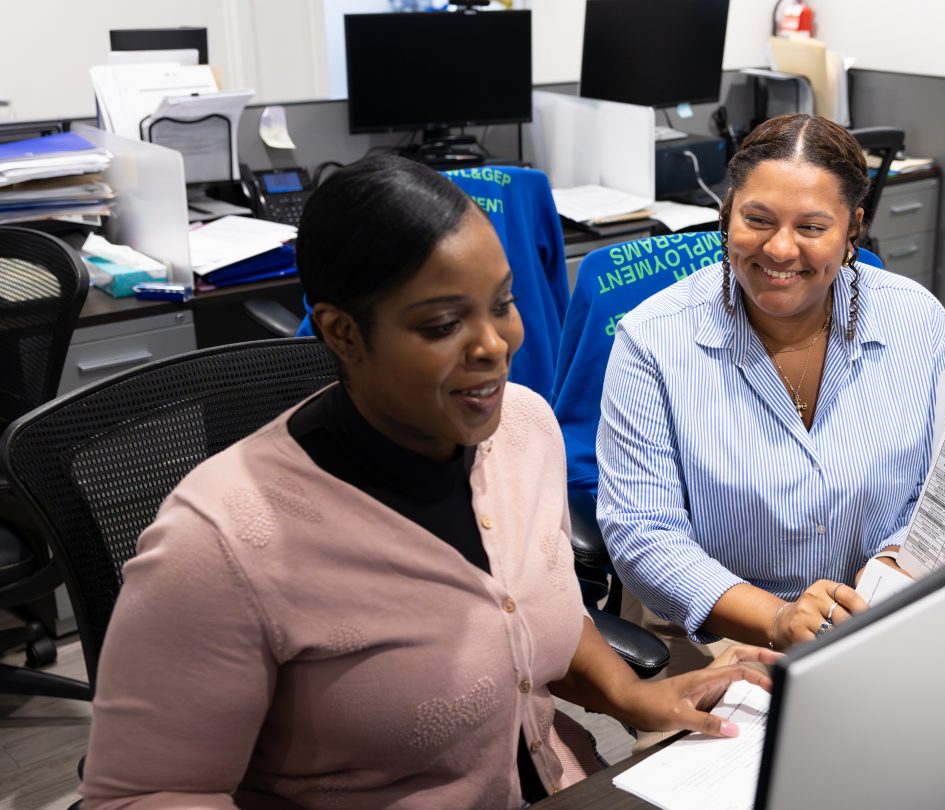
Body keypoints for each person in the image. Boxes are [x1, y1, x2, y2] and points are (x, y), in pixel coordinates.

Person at [81, 155, 776, 810]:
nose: (495, 345)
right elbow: (142, 796)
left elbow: (540, 613)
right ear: (343, 334)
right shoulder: (219, 543)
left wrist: (632, 696)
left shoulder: (524, 428)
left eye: (502, 303)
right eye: (444, 324)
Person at [597, 114, 945, 669]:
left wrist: (893, 563)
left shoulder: (919, 322)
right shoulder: (652, 340)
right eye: (757, 219)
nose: (780, 249)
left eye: (812, 227)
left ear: (852, 229)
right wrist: (777, 619)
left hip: (879, 616)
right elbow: (641, 531)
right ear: (727, 215)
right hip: (713, 636)